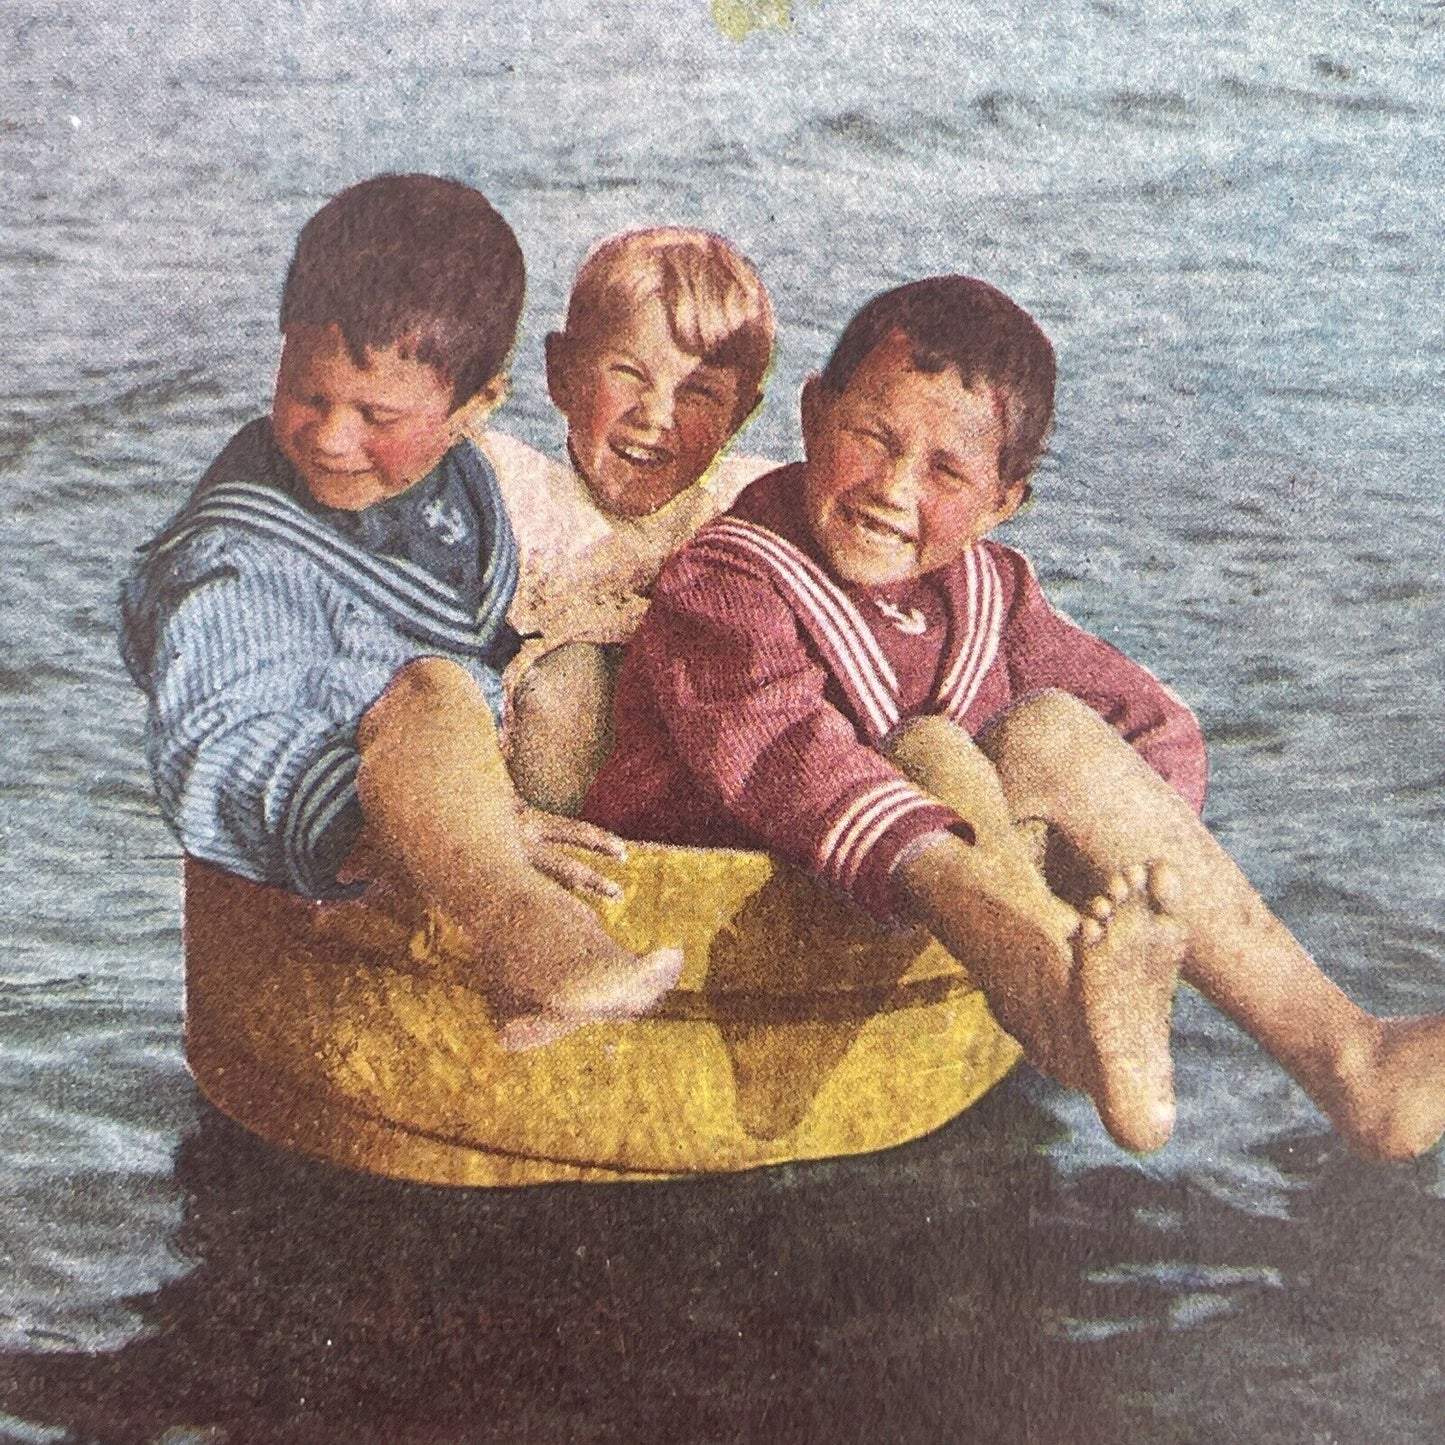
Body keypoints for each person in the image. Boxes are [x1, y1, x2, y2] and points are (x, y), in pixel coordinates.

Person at [583, 275, 1445, 1159]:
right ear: (812, 419)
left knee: (1053, 732)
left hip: (956, 899)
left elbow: (1149, 727)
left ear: (1002, 503)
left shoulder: (991, 591)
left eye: (946, 471)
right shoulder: (728, 583)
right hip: (760, 876)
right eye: (870, 439)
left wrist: (1108, 874)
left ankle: (1346, 1054)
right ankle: (1063, 1006)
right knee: (934, 753)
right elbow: (791, 764)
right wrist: (991, 848)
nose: (891, 487)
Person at [120, 174, 681, 1052]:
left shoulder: (471, 490)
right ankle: (524, 932)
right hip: (338, 823)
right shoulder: (237, 551)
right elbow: (214, 739)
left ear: (475, 408)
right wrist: (444, 823)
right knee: (431, 693)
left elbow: (534, 598)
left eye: (376, 414)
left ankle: (545, 946)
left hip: (466, 802)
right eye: (308, 394)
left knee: (597, 664)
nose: (331, 437)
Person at [473, 228, 776, 813]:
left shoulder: (746, 506)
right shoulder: (512, 492)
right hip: (547, 777)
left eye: (699, 394)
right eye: (631, 375)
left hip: (691, 783)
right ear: (562, 373)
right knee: (570, 681)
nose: (656, 415)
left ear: (741, 414)